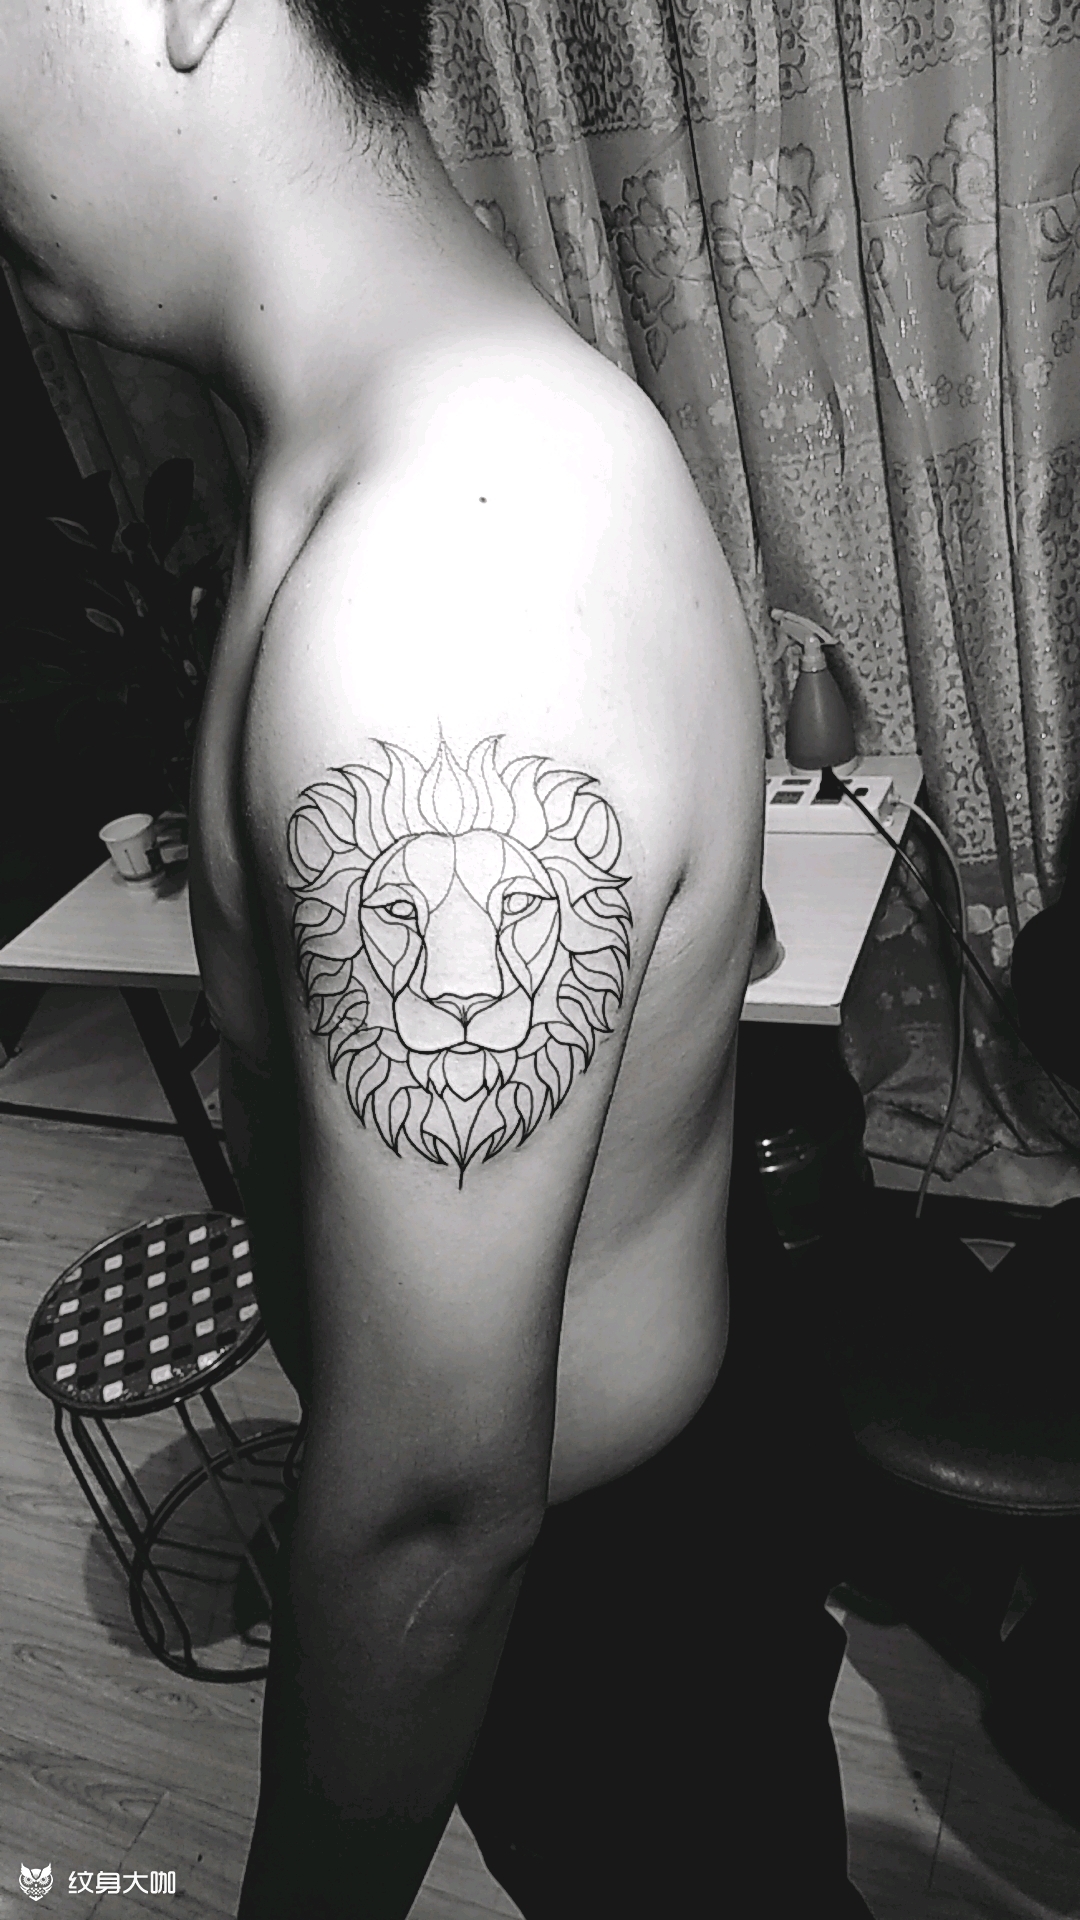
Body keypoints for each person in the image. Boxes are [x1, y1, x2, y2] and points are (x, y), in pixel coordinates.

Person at [0, 2, 874, 1913]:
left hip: (600, 1592)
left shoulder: (449, 579)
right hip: (616, 1515)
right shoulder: (380, 452)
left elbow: (429, 1514)